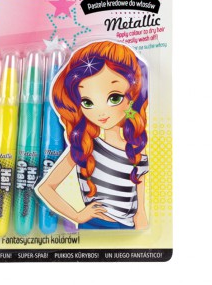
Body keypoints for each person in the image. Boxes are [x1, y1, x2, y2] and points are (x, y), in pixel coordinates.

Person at [35, 41, 149, 229]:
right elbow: (45, 187)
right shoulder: (85, 147)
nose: (101, 111)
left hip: (127, 227)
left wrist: (141, 217)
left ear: (133, 96)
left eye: (114, 98)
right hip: (94, 225)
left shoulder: (136, 148)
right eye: (87, 102)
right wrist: (78, 216)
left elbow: (140, 190)